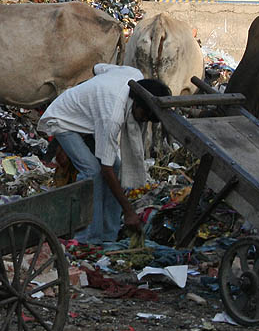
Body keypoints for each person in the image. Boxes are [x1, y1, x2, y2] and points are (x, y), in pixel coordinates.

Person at [38, 64, 170, 245]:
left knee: (116, 168)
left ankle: (108, 236)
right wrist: (129, 211)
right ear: (137, 103)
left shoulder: (134, 75)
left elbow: (97, 68)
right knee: (92, 172)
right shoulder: (112, 116)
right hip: (62, 119)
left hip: (88, 122)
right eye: (144, 116)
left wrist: (93, 96)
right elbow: (104, 169)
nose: (143, 121)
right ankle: (86, 238)